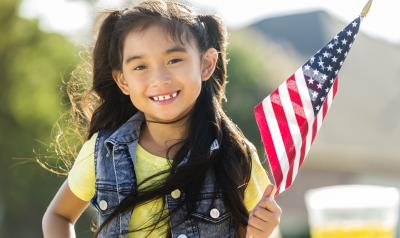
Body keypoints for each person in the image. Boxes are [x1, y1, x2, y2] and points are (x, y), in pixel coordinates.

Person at [42, 0, 282, 237]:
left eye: (174, 60)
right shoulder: (103, 152)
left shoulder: (235, 155)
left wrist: (263, 233)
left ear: (206, 63)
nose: (159, 78)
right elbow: (58, 216)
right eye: (140, 67)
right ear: (123, 81)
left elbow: (255, 231)